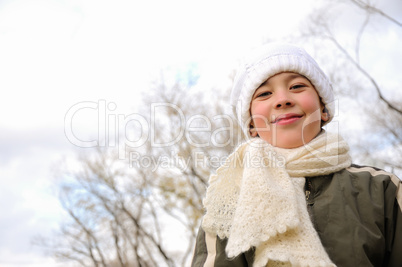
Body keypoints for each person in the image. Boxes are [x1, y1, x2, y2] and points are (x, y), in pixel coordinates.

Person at [191, 43, 402, 267]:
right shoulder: (228, 200)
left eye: (297, 86)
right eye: (264, 93)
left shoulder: (382, 189)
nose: (282, 99)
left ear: (324, 108)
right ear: (251, 125)